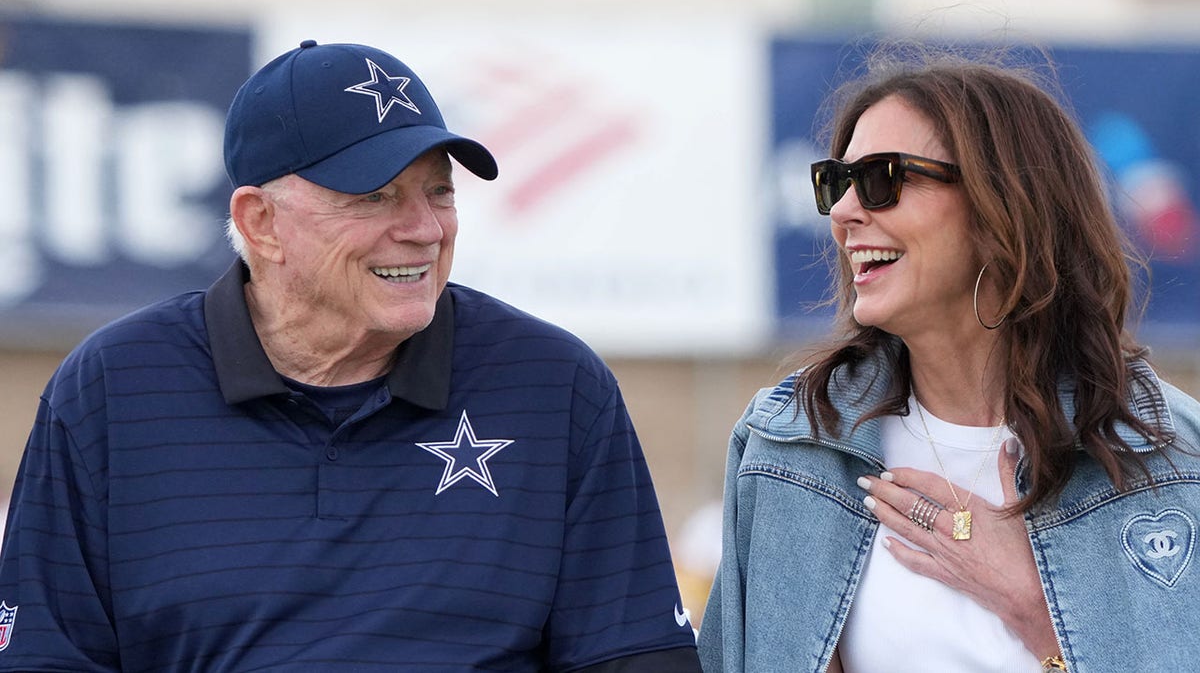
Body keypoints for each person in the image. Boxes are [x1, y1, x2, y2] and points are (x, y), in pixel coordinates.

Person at [0, 40, 701, 671]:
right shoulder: (111, 392)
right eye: (376, 197)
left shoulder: (554, 386)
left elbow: (633, 656)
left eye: (440, 192)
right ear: (260, 222)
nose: (424, 230)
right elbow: (44, 657)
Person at [697, 46, 1200, 673]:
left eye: (883, 178)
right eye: (836, 183)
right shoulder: (789, 445)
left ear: (1004, 207)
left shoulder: (1172, 461)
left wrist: (1041, 613)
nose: (847, 212)